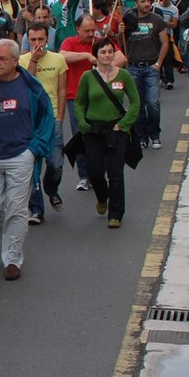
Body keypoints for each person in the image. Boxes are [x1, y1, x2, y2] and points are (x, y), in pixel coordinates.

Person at [0, 39, 57, 281]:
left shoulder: (31, 87)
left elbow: (46, 117)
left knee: (17, 209)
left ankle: (12, 259)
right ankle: (10, 240)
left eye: (2, 59)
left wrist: (34, 149)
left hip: (21, 155)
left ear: (15, 61)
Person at [76, 36, 140, 229]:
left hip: (116, 129)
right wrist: (83, 124)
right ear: (96, 55)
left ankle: (116, 214)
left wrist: (123, 124)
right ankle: (102, 197)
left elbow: (135, 103)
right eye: (102, 51)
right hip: (94, 130)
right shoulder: (88, 77)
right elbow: (79, 104)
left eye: (110, 51)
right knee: (94, 172)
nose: (107, 55)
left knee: (116, 173)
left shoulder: (124, 76)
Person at [18, 24, 68, 224]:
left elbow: (62, 90)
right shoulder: (21, 61)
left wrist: (60, 117)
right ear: (28, 40)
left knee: (56, 163)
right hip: (31, 120)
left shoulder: (58, 59)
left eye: (40, 39)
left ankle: (52, 188)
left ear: (47, 39)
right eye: (33, 39)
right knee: (31, 165)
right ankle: (36, 209)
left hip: (53, 117)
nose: (37, 43)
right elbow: (25, 85)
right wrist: (34, 60)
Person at [122, 0, 169, 149]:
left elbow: (165, 43)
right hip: (134, 68)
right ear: (136, 3)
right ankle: (141, 137)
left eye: (148, 0)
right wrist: (119, 32)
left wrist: (158, 64)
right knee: (138, 104)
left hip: (151, 67)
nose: (146, 4)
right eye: (142, 1)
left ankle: (155, 135)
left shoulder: (157, 20)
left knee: (153, 102)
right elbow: (118, 42)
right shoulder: (128, 19)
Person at [59, 15, 99, 188]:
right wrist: (86, 55)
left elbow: (120, 57)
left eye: (92, 30)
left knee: (99, 135)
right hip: (75, 98)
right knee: (80, 135)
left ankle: (98, 173)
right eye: (86, 31)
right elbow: (62, 56)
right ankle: (84, 176)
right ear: (78, 29)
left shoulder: (100, 42)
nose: (91, 34)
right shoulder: (69, 42)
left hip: (99, 98)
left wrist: (105, 60)